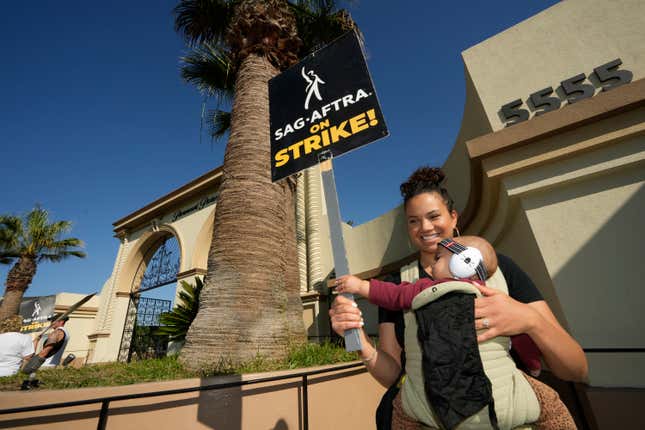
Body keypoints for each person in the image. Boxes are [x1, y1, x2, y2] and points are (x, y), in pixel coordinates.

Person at [329, 166, 588, 429]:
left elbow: (576, 369)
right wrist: (359, 340)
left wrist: (529, 320)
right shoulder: (397, 285)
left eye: (433, 216)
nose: (425, 227)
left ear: (453, 217)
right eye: (413, 221)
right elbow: (394, 376)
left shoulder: (501, 270)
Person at [336, 235, 570, 429]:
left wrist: (360, 286)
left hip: (435, 405)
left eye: (439, 258)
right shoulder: (493, 297)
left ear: (462, 263)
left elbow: (393, 295)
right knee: (552, 404)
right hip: (504, 403)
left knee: (399, 413)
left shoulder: (428, 288)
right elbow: (520, 337)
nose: (433, 264)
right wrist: (532, 364)